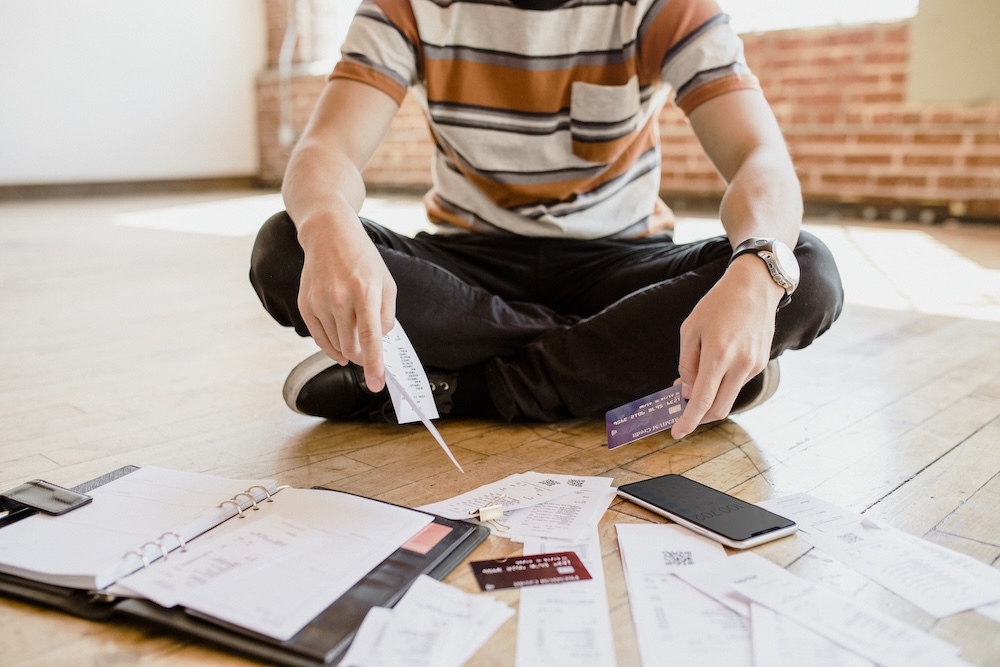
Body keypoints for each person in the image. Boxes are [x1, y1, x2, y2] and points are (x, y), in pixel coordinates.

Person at [250, 0, 844, 440]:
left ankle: (462, 388)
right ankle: (622, 366)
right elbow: (326, 149)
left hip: (620, 262)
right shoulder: (406, 6)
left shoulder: (667, 7)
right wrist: (327, 218)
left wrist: (755, 267)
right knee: (287, 247)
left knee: (802, 273)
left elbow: (757, 156)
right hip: (469, 263)